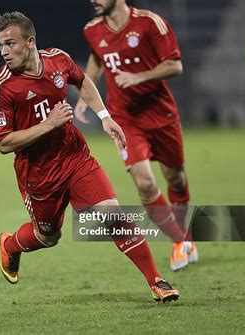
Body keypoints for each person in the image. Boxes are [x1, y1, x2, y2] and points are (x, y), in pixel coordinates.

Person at [0, 11, 179, 302]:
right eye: (0, 45)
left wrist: (104, 116)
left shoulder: (57, 60)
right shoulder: (0, 89)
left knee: (112, 215)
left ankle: (157, 281)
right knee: (48, 237)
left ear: (30, 42)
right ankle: (10, 245)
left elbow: (82, 80)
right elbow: (3, 143)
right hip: (39, 174)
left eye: (10, 43)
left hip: (75, 156)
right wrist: (47, 125)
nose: (4, 51)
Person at [75, 0, 198, 271]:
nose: (92, 0)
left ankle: (182, 234)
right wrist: (87, 94)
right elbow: (97, 57)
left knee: (175, 178)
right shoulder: (92, 29)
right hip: (125, 119)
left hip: (160, 114)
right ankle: (179, 240)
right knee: (144, 183)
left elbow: (175, 65)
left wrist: (139, 77)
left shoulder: (149, 23)